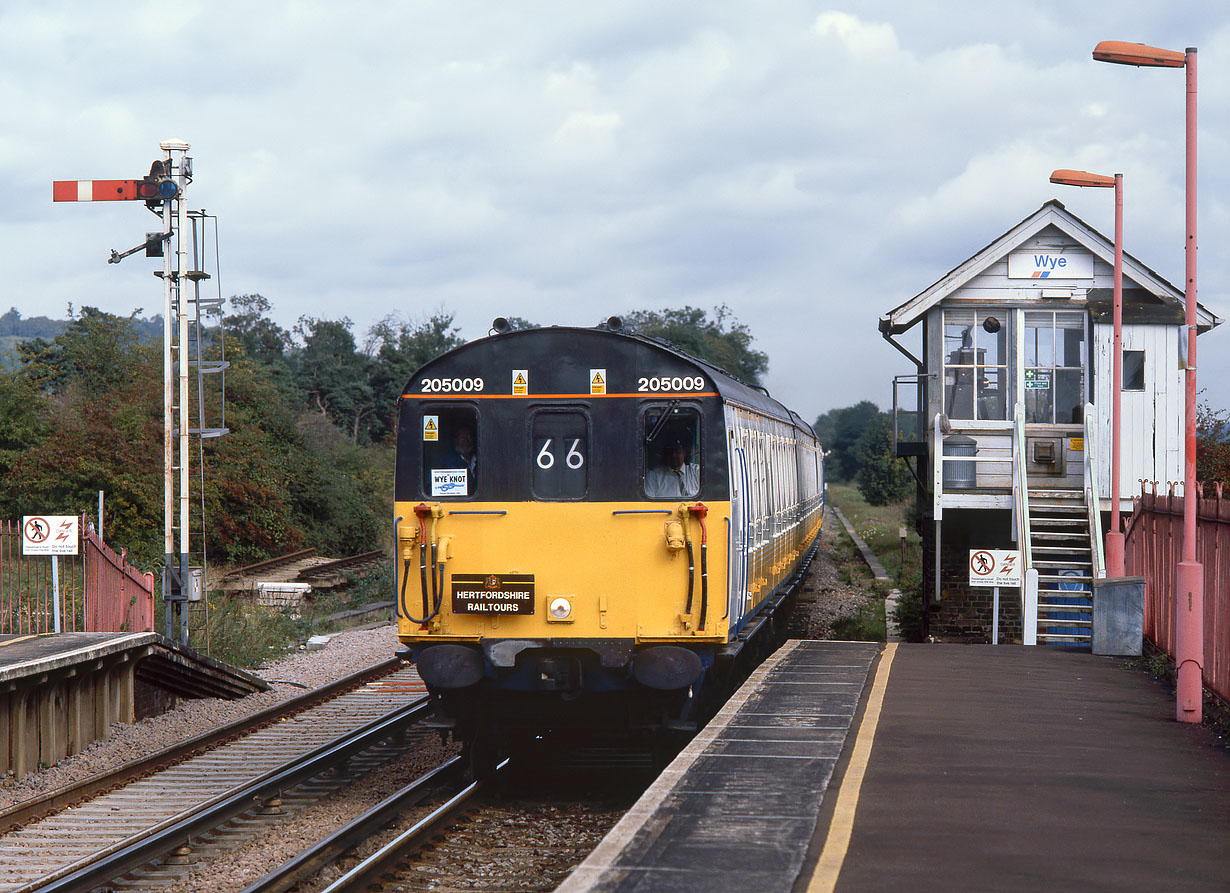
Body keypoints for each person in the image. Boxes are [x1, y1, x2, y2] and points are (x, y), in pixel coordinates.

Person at [439, 425, 477, 492]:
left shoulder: (480, 459)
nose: (466, 441)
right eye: (462, 437)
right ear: (456, 440)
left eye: (469, 437)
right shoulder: (449, 461)